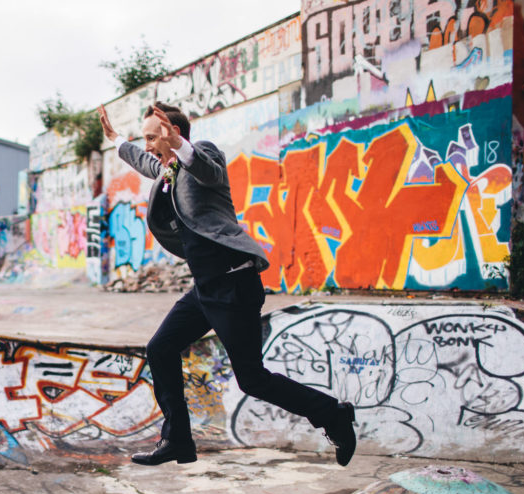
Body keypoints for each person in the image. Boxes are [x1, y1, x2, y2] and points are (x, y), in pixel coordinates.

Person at [98, 102, 357, 467]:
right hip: (205, 287)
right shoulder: (167, 169)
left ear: (174, 134)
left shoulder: (202, 154)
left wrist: (182, 146)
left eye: (153, 137)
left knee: (252, 379)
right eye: (145, 139)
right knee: (160, 348)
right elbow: (145, 162)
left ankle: (333, 414)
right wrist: (116, 140)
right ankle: (178, 440)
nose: (148, 145)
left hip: (234, 281)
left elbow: (206, 169)